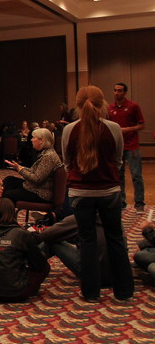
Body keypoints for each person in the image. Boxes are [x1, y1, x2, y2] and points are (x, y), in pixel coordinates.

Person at [62, 85, 134, 303]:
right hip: (109, 192)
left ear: (77, 106)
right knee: (116, 240)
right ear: (103, 104)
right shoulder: (113, 128)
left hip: (80, 193)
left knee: (87, 241)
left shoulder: (69, 130)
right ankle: (123, 291)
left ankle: (91, 292)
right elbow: (118, 161)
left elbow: (67, 163)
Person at [107, 82, 145, 213]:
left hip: (132, 146)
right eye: (115, 90)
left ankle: (139, 203)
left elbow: (141, 125)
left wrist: (127, 129)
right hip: (117, 147)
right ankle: (121, 202)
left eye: (120, 90)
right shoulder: (109, 108)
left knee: (136, 175)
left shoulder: (133, 106)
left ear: (125, 93)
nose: (117, 93)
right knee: (118, 175)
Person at [3, 128, 62, 205]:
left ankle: (4, 211)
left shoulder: (48, 156)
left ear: (41, 140)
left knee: (8, 195)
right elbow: (36, 171)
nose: (31, 140)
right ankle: (3, 209)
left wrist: (20, 169)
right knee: (9, 180)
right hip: (36, 188)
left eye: (33, 137)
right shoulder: (46, 152)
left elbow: (37, 179)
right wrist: (19, 167)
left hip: (41, 193)